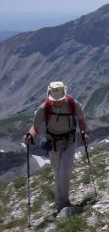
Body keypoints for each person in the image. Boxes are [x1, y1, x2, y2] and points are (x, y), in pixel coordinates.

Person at [24, 81, 89, 214]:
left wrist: (83, 132)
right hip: (53, 142)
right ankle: (61, 202)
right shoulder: (44, 108)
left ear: (65, 95)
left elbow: (81, 119)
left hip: (70, 140)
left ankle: (62, 204)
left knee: (65, 170)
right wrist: (30, 136)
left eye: (60, 99)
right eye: (55, 100)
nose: (57, 102)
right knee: (58, 172)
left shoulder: (73, 104)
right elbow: (35, 127)